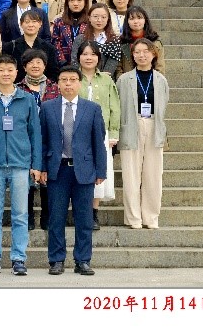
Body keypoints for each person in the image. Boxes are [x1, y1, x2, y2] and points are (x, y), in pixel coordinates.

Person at [0, 54, 42, 275]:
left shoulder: (27, 99)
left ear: (17, 73)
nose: (6, 73)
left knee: (20, 214)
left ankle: (18, 258)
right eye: (1, 70)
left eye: (10, 70)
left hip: (20, 163)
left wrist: (36, 164)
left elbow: (35, 133)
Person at [39, 68, 108, 275]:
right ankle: (56, 260)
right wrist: (42, 167)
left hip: (84, 170)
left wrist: (101, 170)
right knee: (56, 218)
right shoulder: (47, 108)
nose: (68, 83)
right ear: (58, 84)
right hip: (57, 170)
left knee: (84, 218)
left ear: (79, 83)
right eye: (64, 80)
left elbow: (99, 142)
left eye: (72, 80)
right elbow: (42, 140)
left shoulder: (92, 108)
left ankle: (83, 260)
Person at [116, 38, 168, 230]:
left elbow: (164, 105)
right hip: (132, 125)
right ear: (132, 55)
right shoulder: (124, 79)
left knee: (153, 175)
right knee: (131, 175)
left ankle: (151, 217)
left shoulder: (161, 80)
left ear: (153, 54)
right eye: (137, 52)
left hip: (154, 125)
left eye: (145, 51)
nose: (141, 55)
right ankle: (133, 218)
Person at [76, 41, 120, 231]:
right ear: (79, 57)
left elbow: (114, 107)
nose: (89, 58)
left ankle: (93, 212)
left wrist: (114, 133)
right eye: (85, 54)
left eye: (93, 54)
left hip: (101, 132)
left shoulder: (107, 80)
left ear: (98, 58)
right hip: (76, 131)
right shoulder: (73, 77)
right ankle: (80, 211)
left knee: (99, 171)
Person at [70, 3, 123, 76]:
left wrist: (100, 76)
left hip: (105, 79)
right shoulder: (81, 39)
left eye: (103, 17)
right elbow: (74, 60)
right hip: (82, 78)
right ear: (89, 17)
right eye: (95, 16)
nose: (99, 20)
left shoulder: (114, 40)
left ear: (108, 19)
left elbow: (113, 63)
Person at [51, 0, 90, 67]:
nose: (75, 3)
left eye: (79, 0)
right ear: (67, 3)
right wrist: (63, 62)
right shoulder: (59, 22)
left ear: (85, 2)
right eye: (72, 0)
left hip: (86, 64)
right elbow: (55, 43)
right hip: (64, 65)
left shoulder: (90, 22)